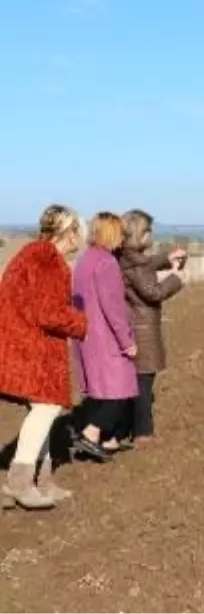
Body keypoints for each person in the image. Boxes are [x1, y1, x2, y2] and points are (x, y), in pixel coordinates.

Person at [0, 205, 88, 509]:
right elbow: (47, 311)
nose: (81, 238)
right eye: (79, 230)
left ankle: (43, 480)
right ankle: (19, 482)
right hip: (31, 346)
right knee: (48, 407)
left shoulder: (35, 253)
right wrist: (81, 323)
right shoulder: (46, 258)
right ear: (70, 231)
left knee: (43, 408)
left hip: (25, 341)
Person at [72, 212, 139, 462]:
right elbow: (114, 309)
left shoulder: (84, 260)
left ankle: (109, 440)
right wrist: (127, 342)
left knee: (101, 391)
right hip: (106, 338)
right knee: (119, 392)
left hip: (86, 336)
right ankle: (90, 434)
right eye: (120, 233)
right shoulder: (107, 264)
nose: (123, 238)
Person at [117, 209, 188, 444]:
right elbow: (152, 291)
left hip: (135, 326)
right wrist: (176, 279)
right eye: (149, 231)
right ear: (140, 235)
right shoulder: (135, 265)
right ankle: (142, 433)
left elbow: (146, 265)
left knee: (137, 382)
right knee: (143, 384)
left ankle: (128, 429)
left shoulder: (126, 257)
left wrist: (167, 257)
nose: (152, 236)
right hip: (143, 329)